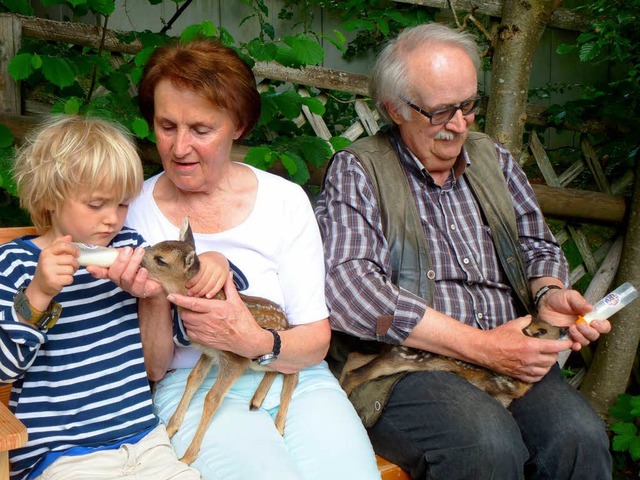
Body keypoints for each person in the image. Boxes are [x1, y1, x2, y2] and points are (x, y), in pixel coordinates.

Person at [315, 23, 612, 480]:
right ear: (395, 108)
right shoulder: (359, 169)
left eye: (469, 105)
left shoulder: (493, 158)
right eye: (440, 112)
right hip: (405, 367)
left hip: (509, 357)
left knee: (580, 439)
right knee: (485, 446)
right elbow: (351, 291)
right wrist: (482, 346)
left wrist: (549, 293)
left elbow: (537, 244)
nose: (459, 124)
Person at [124, 38, 381, 480]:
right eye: (166, 126)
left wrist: (256, 343)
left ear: (239, 125)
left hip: (291, 377)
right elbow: (152, 367)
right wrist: (153, 296)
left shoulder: (284, 201)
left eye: (201, 130)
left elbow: (315, 341)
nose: (180, 147)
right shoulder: (133, 209)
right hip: (193, 382)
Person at [0, 115, 201, 480]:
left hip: (146, 442)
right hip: (60, 457)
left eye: (123, 205)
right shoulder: (14, 264)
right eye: (96, 204)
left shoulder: (136, 252)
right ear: (49, 197)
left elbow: (157, 367)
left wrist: (152, 298)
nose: (112, 220)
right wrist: (39, 293)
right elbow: (2, 370)